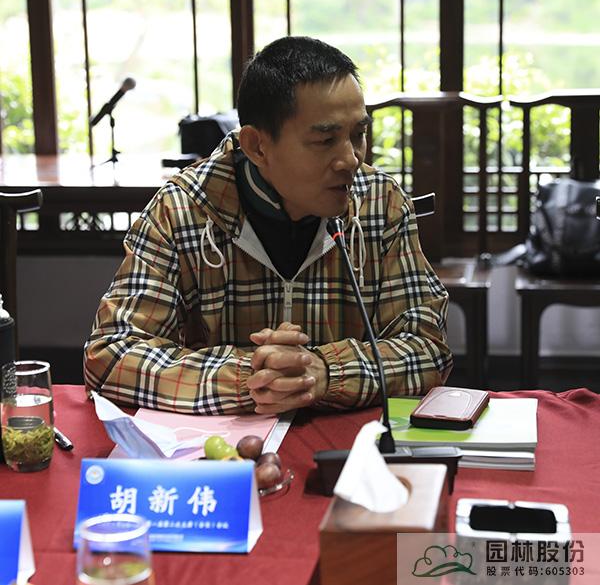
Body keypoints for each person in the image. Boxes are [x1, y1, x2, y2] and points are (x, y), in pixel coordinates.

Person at [84, 36, 452, 415]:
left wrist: (326, 371)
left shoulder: (379, 202)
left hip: (347, 445)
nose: (351, 160)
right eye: (325, 140)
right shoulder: (181, 209)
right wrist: (253, 377)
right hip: (224, 447)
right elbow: (111, 354)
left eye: (358, 135)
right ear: (257, 146)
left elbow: (428, 349)